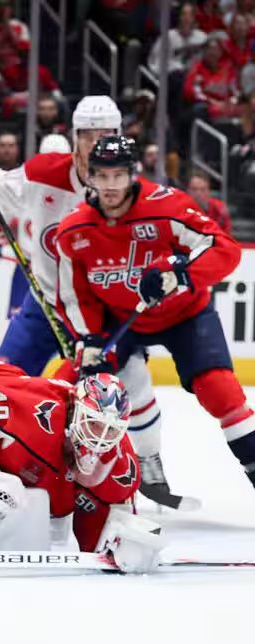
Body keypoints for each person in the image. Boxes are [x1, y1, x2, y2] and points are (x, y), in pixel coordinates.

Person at [0, 96, 176, 508]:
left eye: (104, 135)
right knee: (0, 380)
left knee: (132, 380)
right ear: (73, 138)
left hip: (102, 311)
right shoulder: (44, 173)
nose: (95, 143)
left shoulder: (125, 185)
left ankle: (148, 460)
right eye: (87, 135)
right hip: (46, 303)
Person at [54, 136, 255, 492]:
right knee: (71, 385)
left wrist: (179, 272)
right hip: (119, 322)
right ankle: (65, 469)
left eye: (118, 175)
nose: (110, 185)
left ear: (133, 174)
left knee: (220, 391)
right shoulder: (73, 230)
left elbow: (223, 248)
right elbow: (74, 295)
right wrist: (88, 338)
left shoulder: (166, 207)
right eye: (102, 175)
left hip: (186, 316)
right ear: (91, 177)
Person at [0, 362, 160, 571]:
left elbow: (110, 540)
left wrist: (127, 542)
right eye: (93, 424)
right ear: (77, 410)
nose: (100, 438)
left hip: (9, 454)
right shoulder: (32, 408)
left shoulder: (120, 465)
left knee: (17, 500)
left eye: (112, 430)